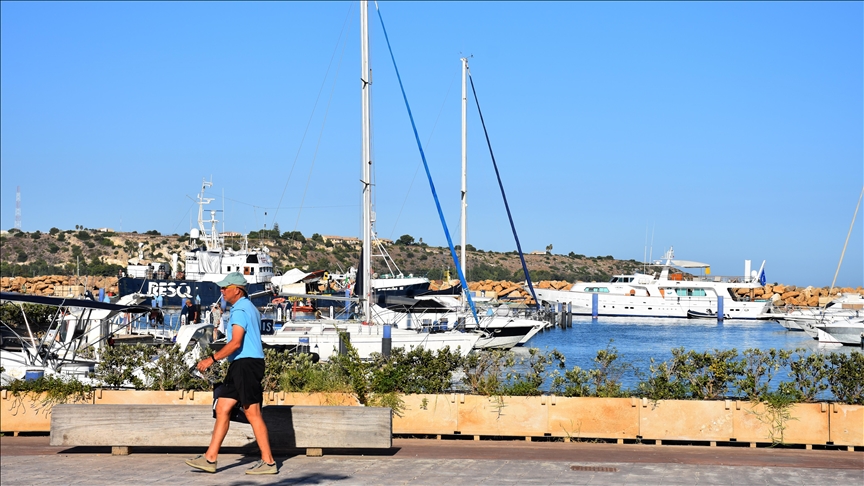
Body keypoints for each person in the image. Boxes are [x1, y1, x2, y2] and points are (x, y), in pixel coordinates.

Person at [185, 272, 276, 475]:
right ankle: (210, 458)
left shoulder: (240, 310)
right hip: (240, 364)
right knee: (223, 408)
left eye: (225, 288)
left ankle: (268, 462)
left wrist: (211, 359)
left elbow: (235, 343)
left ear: (237, 289)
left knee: (253, 412)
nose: (222, 291)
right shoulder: (247, 308)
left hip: (246, 364)